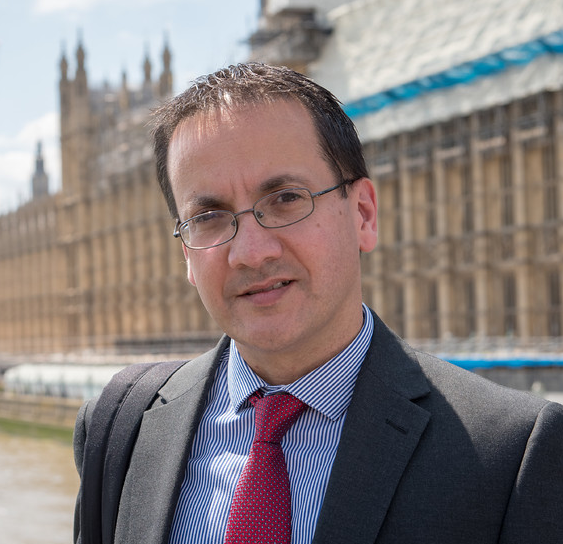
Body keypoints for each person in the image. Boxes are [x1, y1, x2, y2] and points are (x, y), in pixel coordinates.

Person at [73, 63, 563, 544]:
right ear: (186, 252)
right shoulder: (118, 429)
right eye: (208, 217)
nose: (251, 252)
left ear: (363, 215)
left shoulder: (514, 453)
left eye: (286, 198)